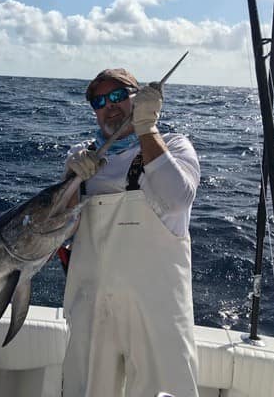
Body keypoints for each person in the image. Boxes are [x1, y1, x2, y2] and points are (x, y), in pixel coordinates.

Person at [61, 68, 200, 397]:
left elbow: (177, 199)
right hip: (92, 305)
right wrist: (71, 180)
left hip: (157, 311)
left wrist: (146, 130)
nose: (110, 106)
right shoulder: (82, 157)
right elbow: (63, 227)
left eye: (119, 96)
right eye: (100, 101)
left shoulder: (175, 147)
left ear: (137, 98)